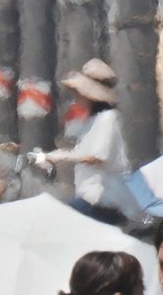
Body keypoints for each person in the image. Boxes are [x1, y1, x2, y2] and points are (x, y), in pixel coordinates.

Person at [37, 60, 138, 226]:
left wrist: (59, 156)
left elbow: (97, 157)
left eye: (79, 93)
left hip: (104, 199)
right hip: (90, 197)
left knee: (64, 223)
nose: (77, 97)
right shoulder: (90, 122)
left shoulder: (108, 119)